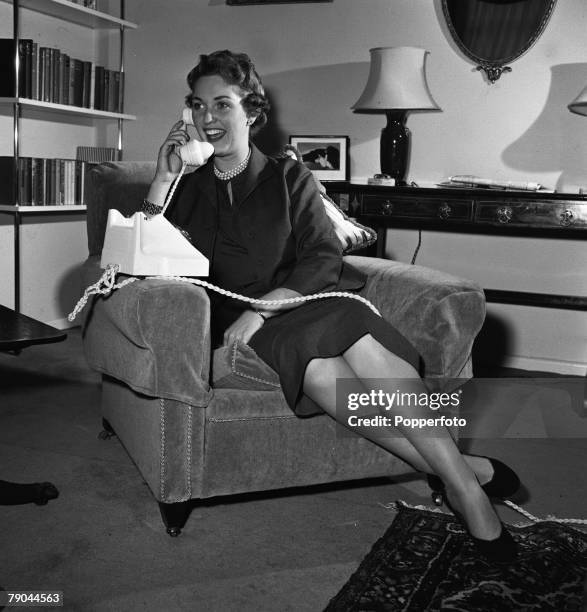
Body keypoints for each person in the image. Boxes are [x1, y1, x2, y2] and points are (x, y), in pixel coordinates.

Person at [145, 50, 520, 562]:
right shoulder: (185, 187)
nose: (208, 118)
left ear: (251, 112)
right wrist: (163, 179)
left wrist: (268, 306)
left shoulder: (289, 176)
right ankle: (465, 473)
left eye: (222, 104)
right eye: (197, 105)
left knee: (348, 333)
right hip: (241, 322)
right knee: (321, 374)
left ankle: (467, 492)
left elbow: (323, 253)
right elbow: (139, 257)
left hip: (306, 301)